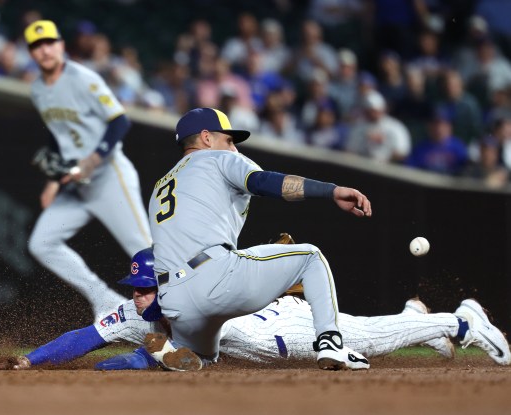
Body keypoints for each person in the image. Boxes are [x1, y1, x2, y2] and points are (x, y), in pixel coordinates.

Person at [0, 248, 511, 371]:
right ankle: (419, 318)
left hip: (286, 329)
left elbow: (150, 363)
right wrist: (31, 362)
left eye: (145, 288)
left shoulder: (195, 301)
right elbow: (86, 336)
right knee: (376, 333)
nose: (137, 296)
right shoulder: (137, 310)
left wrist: (103, 374)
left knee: (367, 342)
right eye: (135, 288)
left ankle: (462, 320)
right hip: (262, 335)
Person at [145, 107, 373, 372]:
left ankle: (180, 355)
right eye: (229, 140)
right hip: (216, 278)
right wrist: (330, 191)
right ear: (207, 138)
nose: (234, 148)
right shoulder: (218, 158)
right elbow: (264, 182)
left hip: (174, 301)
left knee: (201, 357)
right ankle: (331, 344)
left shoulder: (161, 185)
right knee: (310, 258)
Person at [23, 20, 152, 319]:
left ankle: (186, 314)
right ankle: (105, 300)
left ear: (61, 44)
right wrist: (53, 181)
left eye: (49, 42)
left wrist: (92, 160)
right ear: (31, 53)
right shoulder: (38, 89)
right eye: (36, 46)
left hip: (109, 176)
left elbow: (120, 121)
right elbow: (57, 135)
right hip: (77, 185)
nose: (44, 50)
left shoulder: (82, 78)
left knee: (146, 251)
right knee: (42, 243)